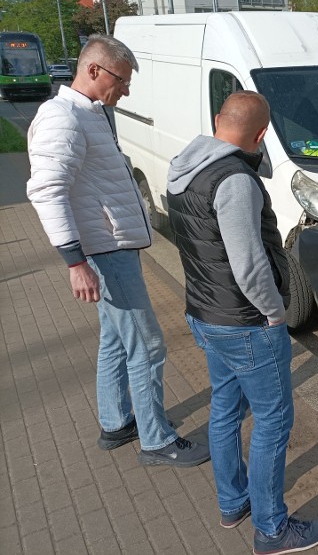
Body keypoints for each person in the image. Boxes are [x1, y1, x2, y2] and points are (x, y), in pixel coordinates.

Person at [26, 35, 209, 467]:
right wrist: (75, 263)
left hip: (111, 247)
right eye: (121, 81)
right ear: (93, 70)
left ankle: (116, 422)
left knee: (114, 340)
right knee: (147, 346)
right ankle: (156, 440)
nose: (125, 90)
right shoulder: (63, 119)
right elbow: (47, 192)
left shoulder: (89, 113)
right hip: (103, 252)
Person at [166, 91, 318, 554]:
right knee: (273, 422)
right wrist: (274, 313)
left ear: (218, 120)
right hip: (246, 323)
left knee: (224, 409)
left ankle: (233, 503)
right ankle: (273, 529)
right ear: (261, 135)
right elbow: (248, 263)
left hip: (205, 314)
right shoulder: (234, 180)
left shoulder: (185, 167)